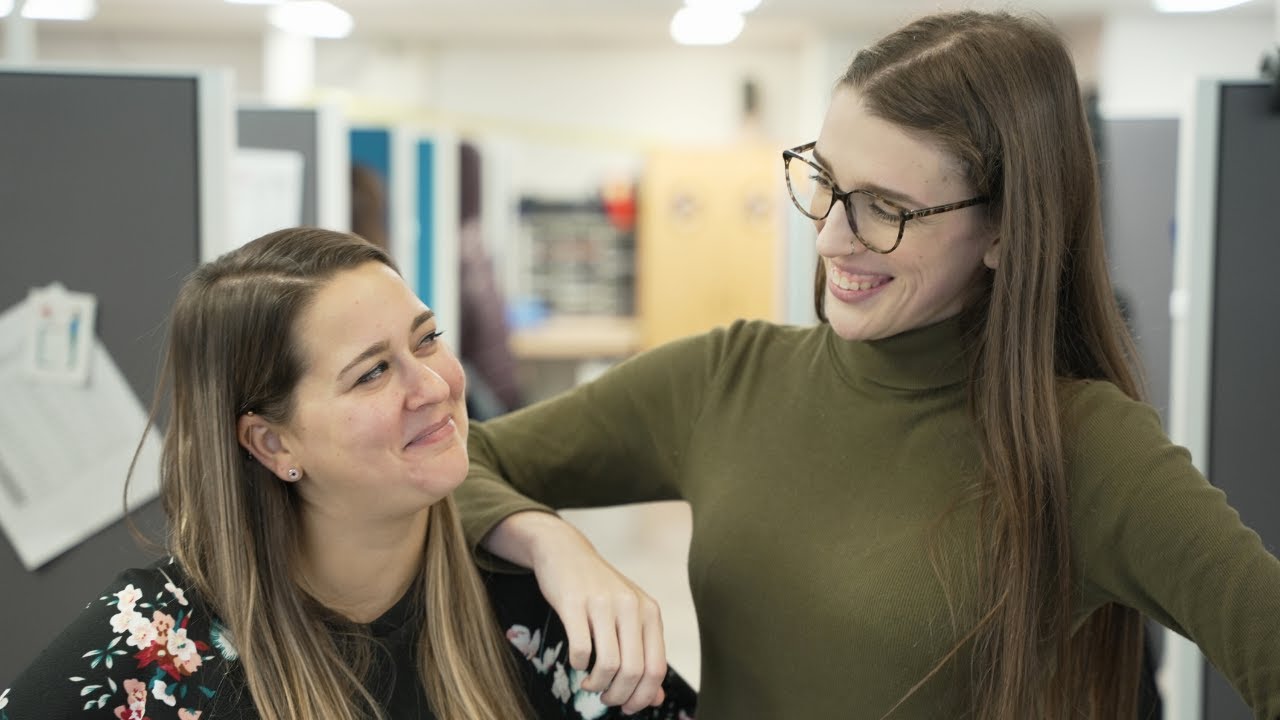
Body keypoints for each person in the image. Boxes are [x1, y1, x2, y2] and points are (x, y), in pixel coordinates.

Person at [454, 10, 1280, 720]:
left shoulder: (1084, 446)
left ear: (1005, 231)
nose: (830, 238)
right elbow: (453, 463)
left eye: (885, 208)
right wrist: (553, 544)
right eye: (826, 182)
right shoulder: (726, 380)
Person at [0, 229, 697, 719]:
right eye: (372, 372)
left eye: (426, 339)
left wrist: (553, 542)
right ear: (273, 444)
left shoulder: (537, 621)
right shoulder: (153, 653)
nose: (432, 385)